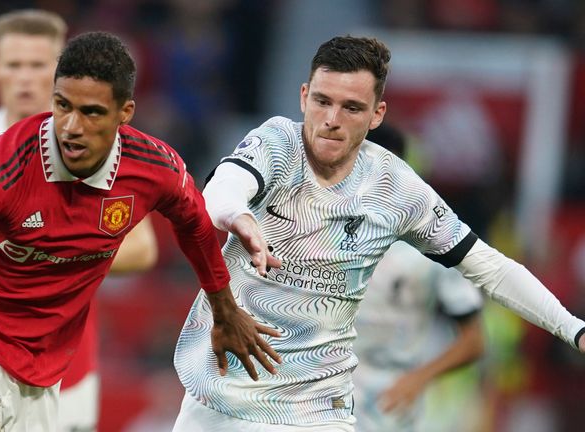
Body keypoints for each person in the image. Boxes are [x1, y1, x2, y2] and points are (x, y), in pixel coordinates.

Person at [0, 31, 280, 432]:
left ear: (124, 113)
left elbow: (195, 224)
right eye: (63, 106)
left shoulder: (154, 168)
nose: (71, 127)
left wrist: (224, 308)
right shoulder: (1, 165)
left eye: (91, 113)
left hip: (42, 363)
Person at [172, 35, 585, 431]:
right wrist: (237, 216)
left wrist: (573, 329)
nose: (331, 120)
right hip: (216, 394)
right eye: (322, 102)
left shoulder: (396, 189)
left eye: (352, 108)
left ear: (377, 114)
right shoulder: (276, 142)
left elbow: (488, 267)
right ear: (303, 97)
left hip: (315, 410)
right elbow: (222, 188)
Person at [0, 11, 158, 431]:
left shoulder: (97, 149)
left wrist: (50, 255)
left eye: (38, 65)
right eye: (14, 65)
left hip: (66, 365)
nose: (25, 78)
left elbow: (142, 247)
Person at [352, 124, 485, 432]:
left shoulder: (436, 244)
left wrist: (418, 379)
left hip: (389, 403)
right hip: (324, 396)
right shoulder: (323, 230)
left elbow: (474, 341)